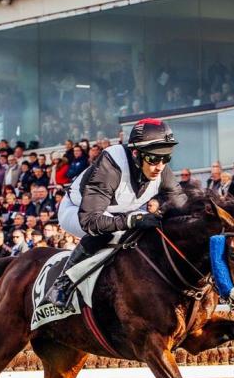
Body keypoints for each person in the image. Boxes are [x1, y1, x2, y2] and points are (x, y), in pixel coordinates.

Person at [46, 118, 185, 308]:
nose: (160, 166)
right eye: (153, 158)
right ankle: (63, 283)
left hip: (120, 212)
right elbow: (91, 221)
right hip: (78, 211)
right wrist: (130, 221)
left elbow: (182, 204)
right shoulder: (112, 165)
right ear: (136, 154)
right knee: (112, 232)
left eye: (165, 157)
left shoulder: (160, 168)